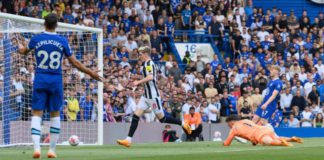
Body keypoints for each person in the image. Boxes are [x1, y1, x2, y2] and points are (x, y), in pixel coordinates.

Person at [17, 14, 102, 158]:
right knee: (55, 115)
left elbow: (24, 52)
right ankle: (52, 150)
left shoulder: (36, 39)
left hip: (40, 78)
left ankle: (37, 149)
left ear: (44, 24)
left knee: (37, 114)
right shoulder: (62, 41)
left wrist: (20, 48)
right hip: (56, 80)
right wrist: (91, 72)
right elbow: (75, 63)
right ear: (57, 25)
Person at [117, 46, 191, 147]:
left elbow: (151, 77)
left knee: (162, 119)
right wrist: (137, 78)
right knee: (136, 116)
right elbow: (149, 76)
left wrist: (138, 82)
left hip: (152, 96)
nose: (140, 55)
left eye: (141, 53)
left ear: (145, 54)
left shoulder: (148, 63)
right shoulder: (147, 64)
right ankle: (128, 140)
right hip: (145, 95)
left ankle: (182, 123)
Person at [223, 115, 303, 147]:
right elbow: (248, 132)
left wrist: (223, 143)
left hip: (258, 134)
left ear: (231, 122)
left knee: (268, 142)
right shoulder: (246, 120)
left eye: (228, 124)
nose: (228, 126)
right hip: (265, 129)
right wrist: (253, 142)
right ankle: (291, 139)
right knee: (276, 137)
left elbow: (227, 143)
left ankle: (283, 143)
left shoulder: (234, 128)